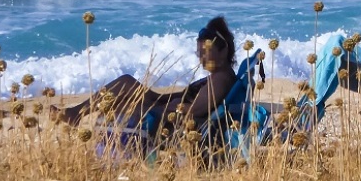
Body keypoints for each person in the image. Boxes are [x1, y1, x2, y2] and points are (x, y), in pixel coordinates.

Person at [53, 16, 238, 127]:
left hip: (167, 117)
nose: (201, 58)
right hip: (166, 106)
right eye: (199, 53)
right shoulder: (219, 76)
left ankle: (77, 115)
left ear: (224, 50)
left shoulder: (221, 79)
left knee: (121, 101)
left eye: (206, 53)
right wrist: (163, 98)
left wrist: (162, 105)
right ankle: (76, 114)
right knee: (125, 84)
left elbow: (194, 111)